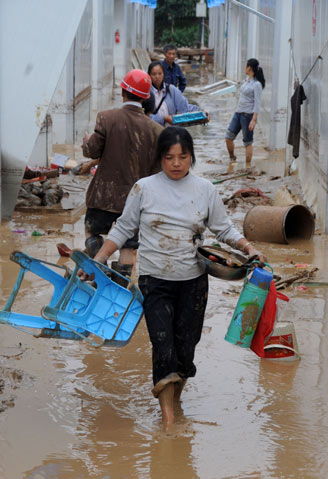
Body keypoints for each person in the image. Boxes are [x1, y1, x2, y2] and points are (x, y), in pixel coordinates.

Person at [82, 126, 265, 429]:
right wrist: (98, 259)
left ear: (191, 157)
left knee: (185, 348)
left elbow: (223, 229)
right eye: (169, 157)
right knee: (163, 346)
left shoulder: (205, 189)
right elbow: (124, 228)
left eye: (183, 157)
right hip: (155, 281)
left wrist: (249, 248)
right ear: (160, 159)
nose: (176, 163)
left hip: (194, 282)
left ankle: (174, 402)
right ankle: (168, 421)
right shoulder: (144, 188)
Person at [81, 69, 163, 280]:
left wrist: (86, 141)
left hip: (103, 196)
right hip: (135, 201)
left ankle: (101, 276)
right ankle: (119, 290)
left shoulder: (106, 118)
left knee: (93, 232)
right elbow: (157, 171)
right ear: (146, 97)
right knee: (128, 247)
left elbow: (92, 151)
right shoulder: (156, 131)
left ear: (123, 92)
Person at [225, 58, 266, 167]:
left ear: (249, 68)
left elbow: (257, 103)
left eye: (246, 66)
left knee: (247, 142)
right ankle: (232, 158)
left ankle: (247, 166)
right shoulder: (246, 81)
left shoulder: (257, 85)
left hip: (248, 116)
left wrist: (253, 120)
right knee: (228, 137)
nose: (244, 68)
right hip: (238, 113)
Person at [148, 61, 200, 126]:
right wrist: (164, 119)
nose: (157, 77)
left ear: (164, 74)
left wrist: (200, 112)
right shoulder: (146, 93)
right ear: (149, 75)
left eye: (160, 73)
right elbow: (144, 116)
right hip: (153, 131)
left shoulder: (172, 90)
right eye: (154, 74)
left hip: (169, 131)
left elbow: (185, 108)